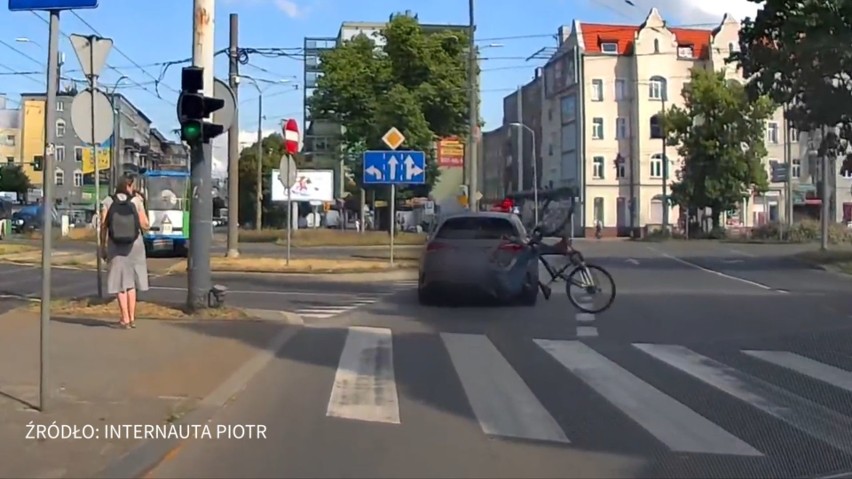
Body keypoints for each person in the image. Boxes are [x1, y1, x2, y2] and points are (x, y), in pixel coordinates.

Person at [99, 173, 150, 329]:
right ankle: (133, 318)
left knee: (120, 283)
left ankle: (125, 318)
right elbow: (146, 224)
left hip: (115, 245)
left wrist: (103, 246)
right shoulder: (136, 201)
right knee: (131, 283)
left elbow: (103, 226)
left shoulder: (108, 201)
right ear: (129, 185)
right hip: (135, 245)